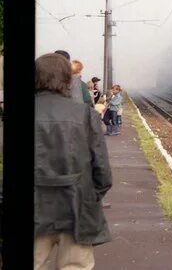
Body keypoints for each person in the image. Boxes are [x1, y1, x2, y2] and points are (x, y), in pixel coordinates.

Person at [34, 53, 112, 270]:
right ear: (68, 79)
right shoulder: (85, 114)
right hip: (77, 207)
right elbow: (102, 172)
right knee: (75, 266)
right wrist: (90, 196)